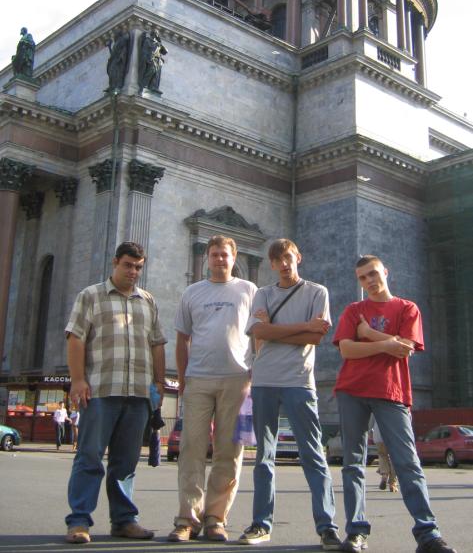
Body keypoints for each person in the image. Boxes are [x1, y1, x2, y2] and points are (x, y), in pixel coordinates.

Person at [333, 254, 457, 553]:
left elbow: (405, 349)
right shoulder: (353, 310)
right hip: (351, 390)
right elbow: (347, 350)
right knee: (353, 464)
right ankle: (356, 532)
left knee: (407, 463)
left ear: (385, 272)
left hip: (392, 391)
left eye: (373, 273)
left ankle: (428, 534)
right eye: (363, 278)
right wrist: (388, 343)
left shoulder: (407, 308)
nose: (369, 281)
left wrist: (368, 335)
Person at [238, 239, 342, 551]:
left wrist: (275, 329)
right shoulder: (263, 293)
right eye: (277, 260)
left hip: (299, 381)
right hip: (264, 380)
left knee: (313, 454)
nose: (284, 264)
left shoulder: (317, 292)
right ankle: (261, 524)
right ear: (271, 265)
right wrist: (302, 327)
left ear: (298, 257)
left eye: (288, 258)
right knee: (263, 457)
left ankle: (327, 527)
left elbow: (316, 337)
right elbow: (259, 332)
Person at [64, 241, 167, 545]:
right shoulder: (91, 295)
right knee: (89, 457)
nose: (133, 271)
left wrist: (159, 382)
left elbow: (157, 344)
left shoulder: (148, 301)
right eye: (128, 265)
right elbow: (75, 338)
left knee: (126, 463)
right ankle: (79, 521)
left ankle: (123, 520)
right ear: (115, 263)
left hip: (138, 393)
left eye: (138, 267)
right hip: (100, 390)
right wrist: (77, 379)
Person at [167, 235, 257, 543]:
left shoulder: (249, 290)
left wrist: (254, 374)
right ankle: (187, 519)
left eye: (225, 254)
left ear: (234, 257)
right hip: (198, 379)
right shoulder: (192, 292)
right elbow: (182, 339)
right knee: (191, 449)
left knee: (229, 452)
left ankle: (216, 518)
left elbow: (258, 335)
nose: (220, 259)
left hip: (238, 380)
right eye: (215, 254)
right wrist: (183, 380)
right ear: (207, 257)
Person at [372, 419, 398, 492]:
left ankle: (384, 475)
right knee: (395, 458)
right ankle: (392, 483)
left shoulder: (377, 410)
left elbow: (371, 420)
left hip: (378, 434)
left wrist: (370, 430)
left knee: (382, 455)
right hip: (394, 435)